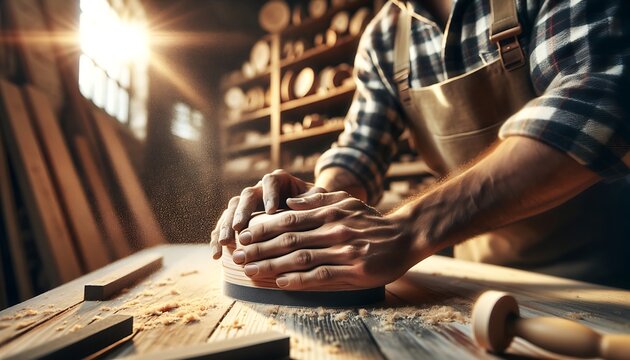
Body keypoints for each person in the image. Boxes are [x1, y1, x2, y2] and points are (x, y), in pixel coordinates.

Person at [211, 0, 630, 290]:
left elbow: (598, 103)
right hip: (480, 280)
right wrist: (314, 204)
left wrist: (410, 229)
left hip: (603, 276)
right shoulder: (383, 38)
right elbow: (358, 151)